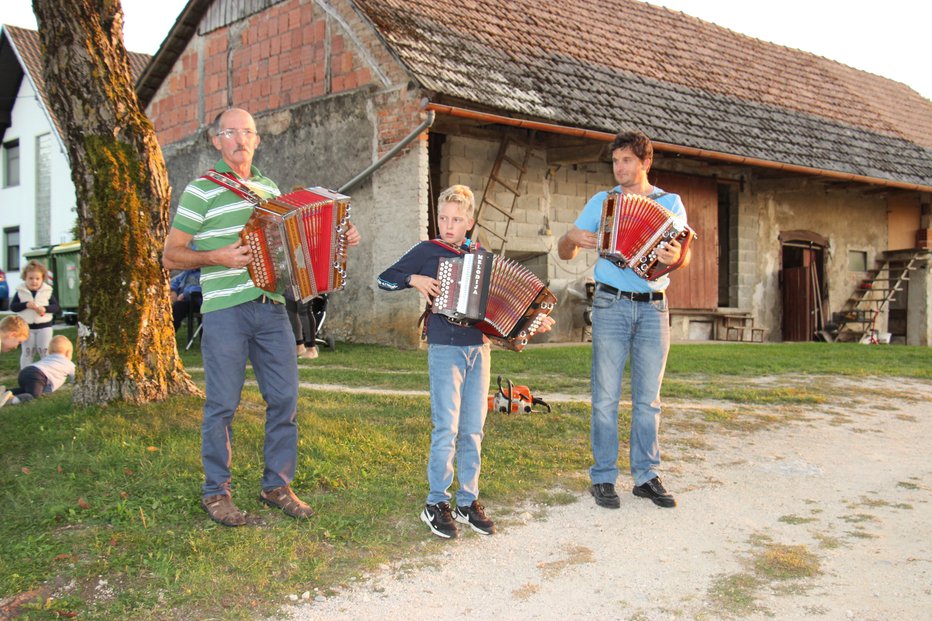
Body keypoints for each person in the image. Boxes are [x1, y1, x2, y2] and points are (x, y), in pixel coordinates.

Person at [162, 107, 361, 527]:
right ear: (216, 141)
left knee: (285, 399)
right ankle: (216, 492)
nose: (239, 139)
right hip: (225, 310)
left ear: (257, 140)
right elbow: (170, 256)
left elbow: (295, 248)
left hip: (272, 307)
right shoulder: (201, 190)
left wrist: (338, 236)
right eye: (230, 132)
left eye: (247, 132)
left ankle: (276, 485)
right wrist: (215, 256)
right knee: (222, 404)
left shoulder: (270, 190)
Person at [378, 184, 554, 539]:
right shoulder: (428, 250)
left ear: (469, 222)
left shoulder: (481, 256)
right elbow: (384, 279)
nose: (448, 225)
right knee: (446, 428)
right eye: (443, 218)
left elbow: (503, 307)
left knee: (473, 429)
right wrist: (414, 279)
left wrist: (534, 322)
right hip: (445, 346)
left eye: (456, 219)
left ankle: (467, 501)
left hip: (479, 347)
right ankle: (435, 503)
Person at [558, 130, 691, 510]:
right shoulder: (603, 202)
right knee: (605, 397)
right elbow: (564, 251)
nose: (619, 168)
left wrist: (675, 258)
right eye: (615, 161)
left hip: (653, 307)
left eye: (627, 160)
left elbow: (684, 255)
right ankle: (603, 477)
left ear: (645, 163)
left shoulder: (671, 203)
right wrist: (571, 237)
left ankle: (646, 477)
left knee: (648, 399)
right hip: (610, 304)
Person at [11, 260, 60, 369]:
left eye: (37, 279)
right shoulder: (20, 291)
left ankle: (47, 374)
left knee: (45, 351)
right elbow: (13, 306)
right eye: (31, 278)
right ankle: (25, 374)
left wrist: (45, 308)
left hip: (44, 327)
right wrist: (26, 305)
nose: (34, 281)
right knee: (28, 352)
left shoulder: (47, 291)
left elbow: (56, 307)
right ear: (25, 278)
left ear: (43, 278)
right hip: (27, 328)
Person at [1, 334, 75, 406]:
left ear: (49, 351)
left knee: (26, 390)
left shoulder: (48, 358)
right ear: (68, 352)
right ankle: (13, 400)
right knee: (34, 396)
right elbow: (77, 377)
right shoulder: (69, 364)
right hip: (38, 375)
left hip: (25, 372)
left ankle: (6, 392)